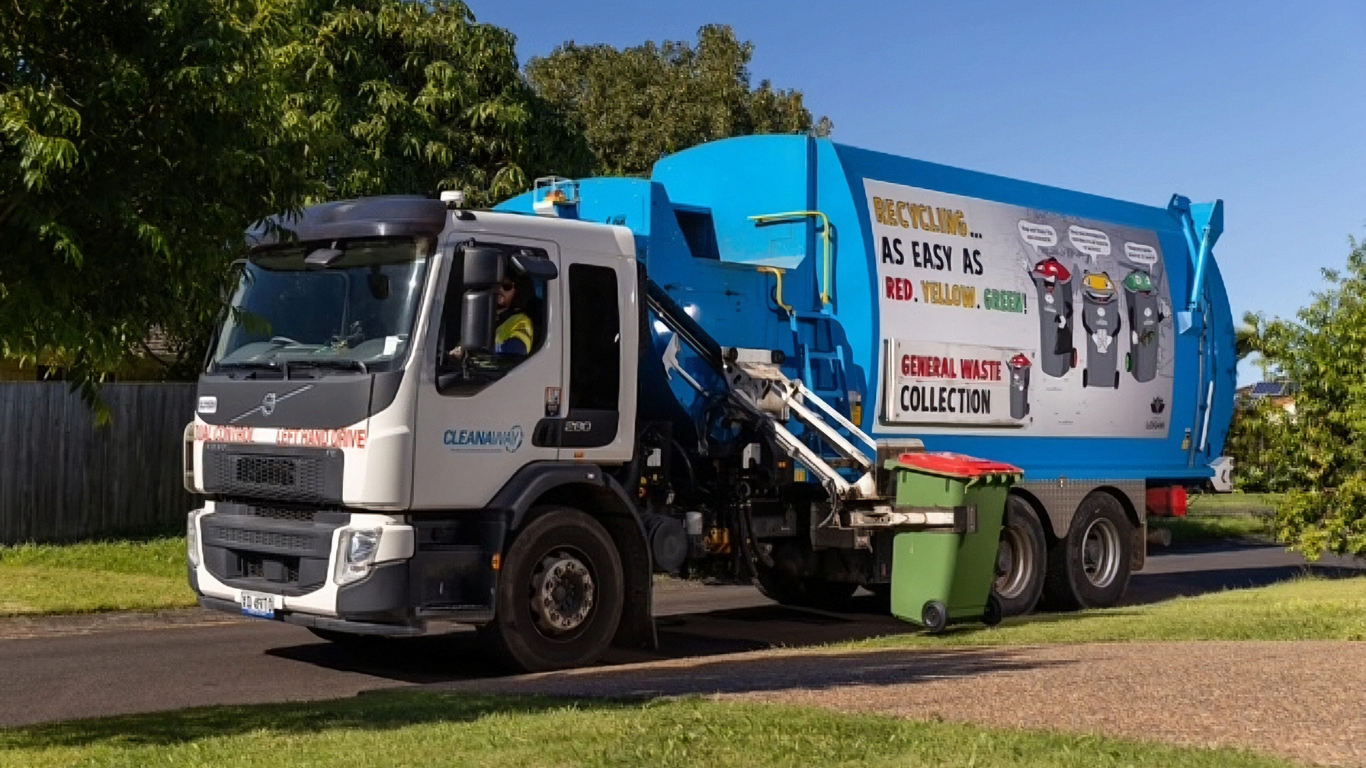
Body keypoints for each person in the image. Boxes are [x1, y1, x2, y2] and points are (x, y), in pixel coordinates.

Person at [493, 276, 534, 356]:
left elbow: (518, 349)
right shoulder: (481, 316)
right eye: (495, 285)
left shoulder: (521, 320)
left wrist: (482, 352)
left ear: (517, 291)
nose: (499, 290)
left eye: (506, 286)